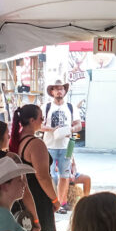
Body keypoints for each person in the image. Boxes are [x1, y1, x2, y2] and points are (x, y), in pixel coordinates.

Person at [10, 104, 61, 231]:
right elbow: (43, 176)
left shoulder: (16, 140)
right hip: (37, 195)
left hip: (20, 194)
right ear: (32, 120)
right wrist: (55, 199)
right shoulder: (35, 144)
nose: (43, 121)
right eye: (41, 117)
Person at [40, 82, 78, 210]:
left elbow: (78, 125)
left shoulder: (71, 107)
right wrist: (52, 129)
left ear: (64, 91)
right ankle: (52, 201)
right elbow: (39, 126)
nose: (59, 92)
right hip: (49, 145)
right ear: (51, 92)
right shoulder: (45, 107)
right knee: (51, 176)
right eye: (56, 89)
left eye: (61, 89)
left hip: (66, 146)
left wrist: (70, 129)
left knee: (64, 175)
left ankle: (61, 203)